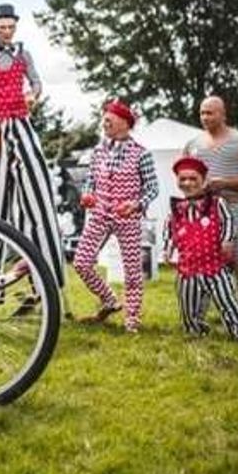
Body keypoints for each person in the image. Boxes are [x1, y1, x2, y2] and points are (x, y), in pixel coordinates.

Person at [0, 3, 66, 288]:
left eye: (11, 27)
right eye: (3, 28)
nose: (7, 32)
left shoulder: (24, 54)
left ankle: (47, 275)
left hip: (20, 122)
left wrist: (32, 96)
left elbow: (36, 83)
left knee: (38, 191)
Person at [72, 100, 159, 332]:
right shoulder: (98, 151)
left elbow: (152, 189)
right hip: (99, 215)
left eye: (110, 117)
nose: (105, 121)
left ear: (125, 123)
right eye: (104, 118)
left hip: (128, 218)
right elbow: (90, 180)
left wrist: (136, 204)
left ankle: (132, 320)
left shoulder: (141, 154)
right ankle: (110, 300)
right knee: (81, 262)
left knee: (132, 271)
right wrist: (87, 194)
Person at [184, 95, 238, 325]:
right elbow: (184, 176)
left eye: (210, 112)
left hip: (234, 205)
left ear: (223, 114)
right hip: (204, 212)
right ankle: (200, 313)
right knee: (205, 262)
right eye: (202, 113)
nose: (205, 117)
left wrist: (226, 182)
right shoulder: (193, 144)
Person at [163, 156, 238, 343]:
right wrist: (167, 249)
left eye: (193, 178)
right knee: (188, 306)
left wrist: (227, 241)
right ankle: (195, 329)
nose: (188, 183)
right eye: (183, 179)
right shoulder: (177, 208)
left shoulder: (216, 203)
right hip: (187, 269)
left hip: (215, 266)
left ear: (204, 181)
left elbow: (228, 221)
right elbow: (169, 230)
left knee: (227, 300)